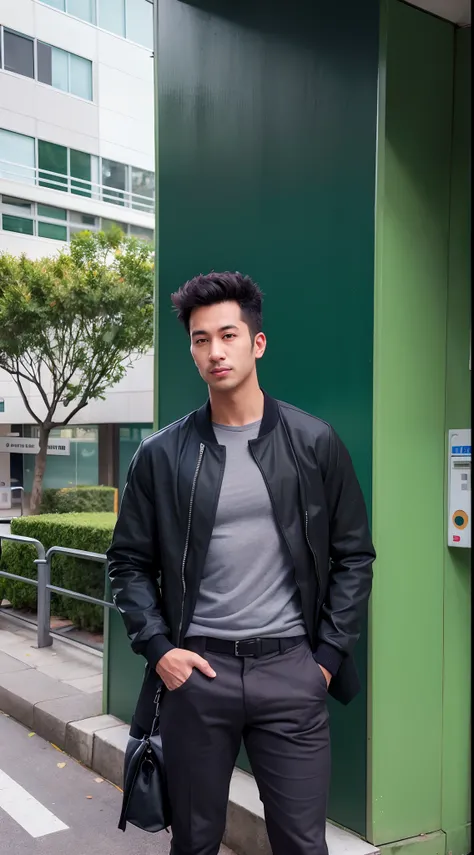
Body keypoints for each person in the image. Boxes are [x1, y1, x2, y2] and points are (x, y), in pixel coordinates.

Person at [107, 271, 376, 855]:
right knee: (196, 841)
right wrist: (160, 651)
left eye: (227, 335)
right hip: (197, 673)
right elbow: (127, 562)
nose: (214, 351)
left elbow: (354, 555)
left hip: (291, 672)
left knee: (303, 845)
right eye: (201, 339)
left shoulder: (314, 443)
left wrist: (326, 659)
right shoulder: (161, 455)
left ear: (257, 343)